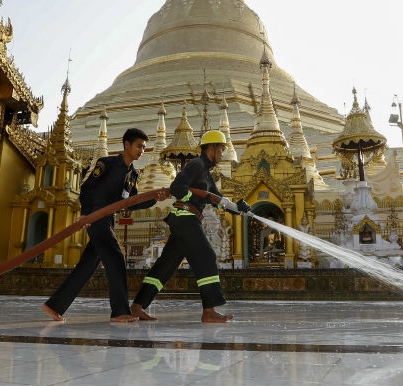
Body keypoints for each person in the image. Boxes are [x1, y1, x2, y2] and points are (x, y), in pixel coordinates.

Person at [43, 128, 167, 323]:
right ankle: (119, 311)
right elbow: (87, 188)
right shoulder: (106, 164)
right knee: (116, 258)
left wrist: (154, 199)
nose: (142, 151)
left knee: (87, 266)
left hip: (108, 220)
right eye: (139, 146)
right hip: (96, 217)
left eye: (144, 147)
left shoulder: (133, 175)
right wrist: (86, 214)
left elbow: (131, 203)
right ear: (126, 144)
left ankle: (54, 306)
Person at [131, 130, 250, 323]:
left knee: (166, 266)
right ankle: (209, 310)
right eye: (221, 149)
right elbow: (177, 187)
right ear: (210, 148)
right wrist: (195, 198)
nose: (222, 153)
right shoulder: (196, 164)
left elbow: (218, 200)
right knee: (206, 256)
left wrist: (239, 208)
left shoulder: (206, 175)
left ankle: (137, 306)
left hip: (185, 220)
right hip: (185, 217)